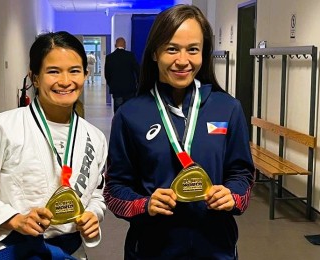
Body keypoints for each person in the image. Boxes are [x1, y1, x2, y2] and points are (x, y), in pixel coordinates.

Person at [104, 4, 255, 259]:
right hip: (152, 250)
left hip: (216, 249)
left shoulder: (228, 108)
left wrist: (233, 195)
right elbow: (114, 189)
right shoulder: (129, 115)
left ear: (203, 53)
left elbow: (241, 174)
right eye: (172, 49)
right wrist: (146, 204)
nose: (182, 61)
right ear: (154, 53)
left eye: (192, 50)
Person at [0, 31, 108, 259]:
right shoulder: (1, 127)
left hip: (72, 252)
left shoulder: (95, 137)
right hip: (16, 251)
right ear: (34, 77)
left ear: (86, 75)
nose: (65, 81)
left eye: (74, 71)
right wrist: (14, 219)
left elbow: (96, 193)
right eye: (53, 71)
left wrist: (93, 215)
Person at [105, 37, 140, 113]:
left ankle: (118, 124)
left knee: (118, 111)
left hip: (116, 89)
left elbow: (107, 74)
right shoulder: (130, 56)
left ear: (115, 45)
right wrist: (137, 84)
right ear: (125, 45)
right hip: (129, 89)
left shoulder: (109, 57)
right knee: (130, 111)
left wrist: (111, 85)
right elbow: (137, 70)